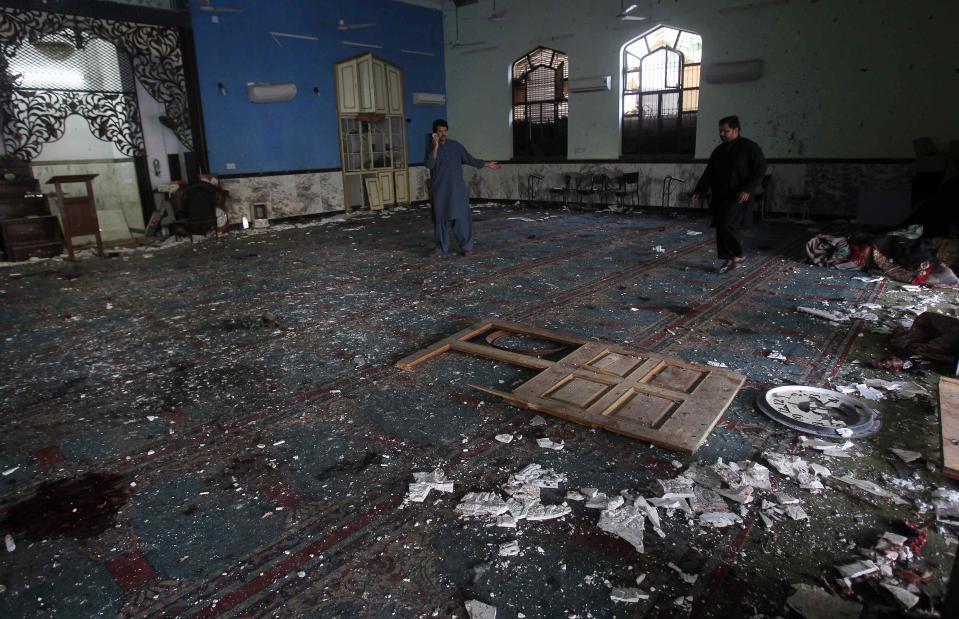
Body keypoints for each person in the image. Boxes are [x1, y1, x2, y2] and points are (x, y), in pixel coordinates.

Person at [691, 115, 766, 273]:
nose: (722, 134)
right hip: (721, 196)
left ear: (736, 130)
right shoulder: (719, 151)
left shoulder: (750, 147)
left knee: (727, 224)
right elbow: (709, 173)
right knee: (722, 225)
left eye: (726, 131)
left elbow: (760, 170)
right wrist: (699, 191)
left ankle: (736, 254)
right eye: (720, 131)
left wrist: (748, 189)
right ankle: (728, 258)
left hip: (739, 195)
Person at [425, 119, 500, 257]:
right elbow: (430, 164)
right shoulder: (431, 148)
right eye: (439, 131)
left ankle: (466, 247)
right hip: (440, 189)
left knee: (460, 217)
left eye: (445, 131)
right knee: (440, 218)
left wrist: (486, 164)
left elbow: (469, 159)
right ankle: (441, 248)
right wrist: (435, 146)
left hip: (456, 189)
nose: (443, 134)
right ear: (435, 133)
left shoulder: (456, 146)